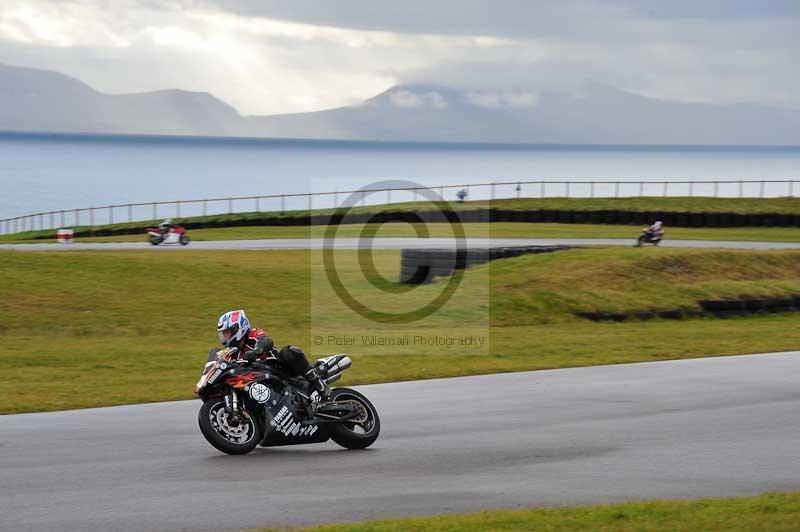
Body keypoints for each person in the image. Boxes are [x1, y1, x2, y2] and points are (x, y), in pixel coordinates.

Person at [216, 309, 330, 399]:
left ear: (237, 328)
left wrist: (257, 352)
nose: (225, 337)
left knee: (287, 352)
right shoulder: (233, 352)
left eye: (227, 333)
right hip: (260, 381)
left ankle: (319, 384)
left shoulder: (253, 334)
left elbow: (266, 341)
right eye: (223, 334)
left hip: (280, 371)